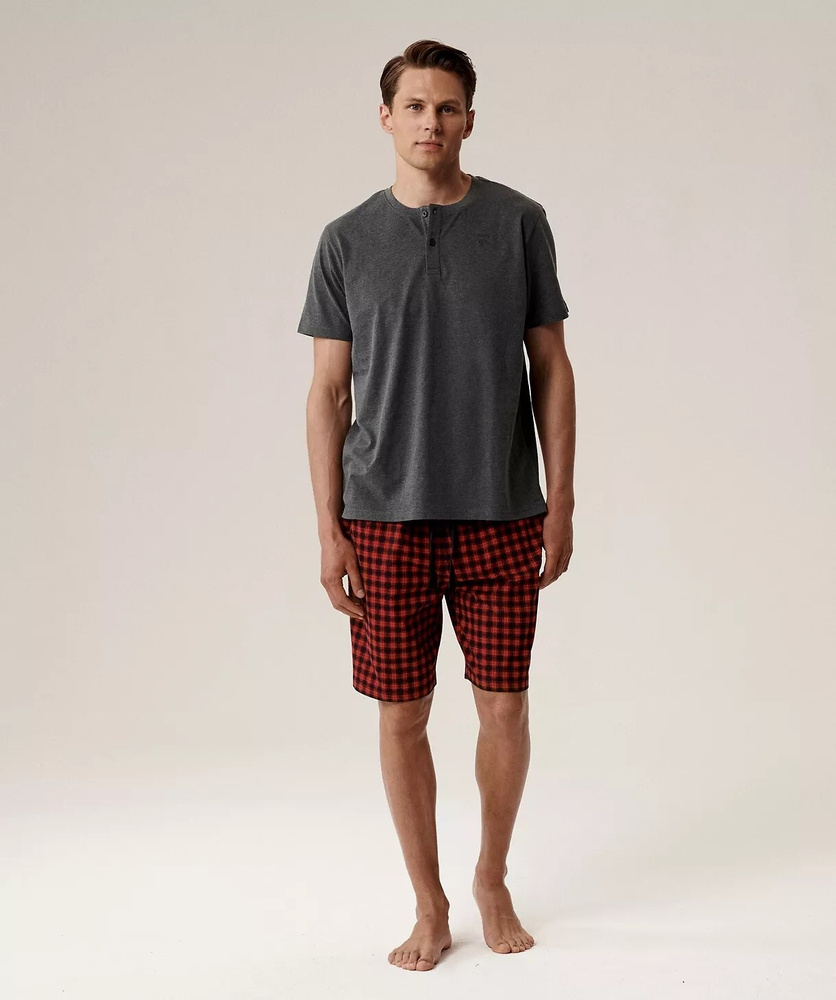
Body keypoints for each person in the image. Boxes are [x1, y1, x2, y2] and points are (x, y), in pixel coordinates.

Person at [297, 38, 576, 973]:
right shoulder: (345, 240)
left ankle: (492, 876)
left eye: (447, 107)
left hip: (502, 510)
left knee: (505, 709)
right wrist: (328, 527)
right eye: (414, 106)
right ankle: (429, 900)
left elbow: (552, 366)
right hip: (383, 518)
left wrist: (561, 501)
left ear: (470, 119)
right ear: (386, 118)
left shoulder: (519, 223)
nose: (431, 121)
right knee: (400, 716)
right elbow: (327, 392)